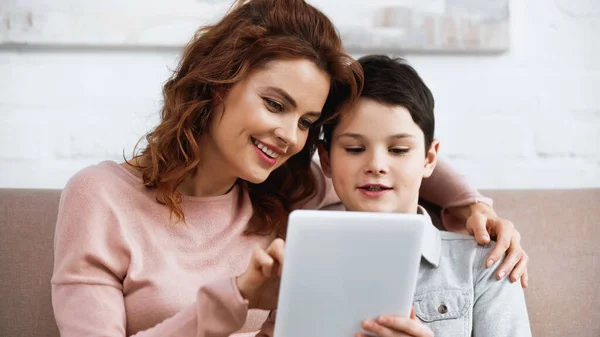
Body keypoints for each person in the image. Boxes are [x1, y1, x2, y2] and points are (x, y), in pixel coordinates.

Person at [51, 1, 528, 336]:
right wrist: (236, 298)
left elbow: (382, 154)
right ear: (218, 83)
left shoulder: (289, 192)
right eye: (275, 104)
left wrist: (472, 207)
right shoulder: (101, 197)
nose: (289, 136)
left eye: (305, 122)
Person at [313, 55, 531, 336]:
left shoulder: (484, 264)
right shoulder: (302, 264)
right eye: (355, 149)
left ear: (429, 159)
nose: (377, 165)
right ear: (326, 159)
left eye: (399, 150)